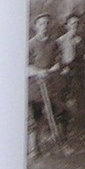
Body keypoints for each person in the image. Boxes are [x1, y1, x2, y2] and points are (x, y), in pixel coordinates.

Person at [26, 13, 60, 155]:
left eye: (46, 23)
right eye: (41, 24)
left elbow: (58, 62)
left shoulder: (54, 43)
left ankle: (57, 142)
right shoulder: (30, 44)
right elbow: (25, 64)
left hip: (49, 82)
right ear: (36, 27)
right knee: (33, 115)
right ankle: (33, 149)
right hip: (34, 84)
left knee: (51, 114)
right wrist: (37, 72)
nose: (44, 27)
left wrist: (51, 71)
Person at [55, 13, 85, 140]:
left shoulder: (83, 39)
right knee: (63, 102)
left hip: (79, 73)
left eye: (77, 24)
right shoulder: (60, 41)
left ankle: (84, 133)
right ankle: (62, 133)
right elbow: (56, 57)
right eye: (72, 24)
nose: (75, 26)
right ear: (66, 26)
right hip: (65, 73)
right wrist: (61, 67)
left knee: (82, 101)